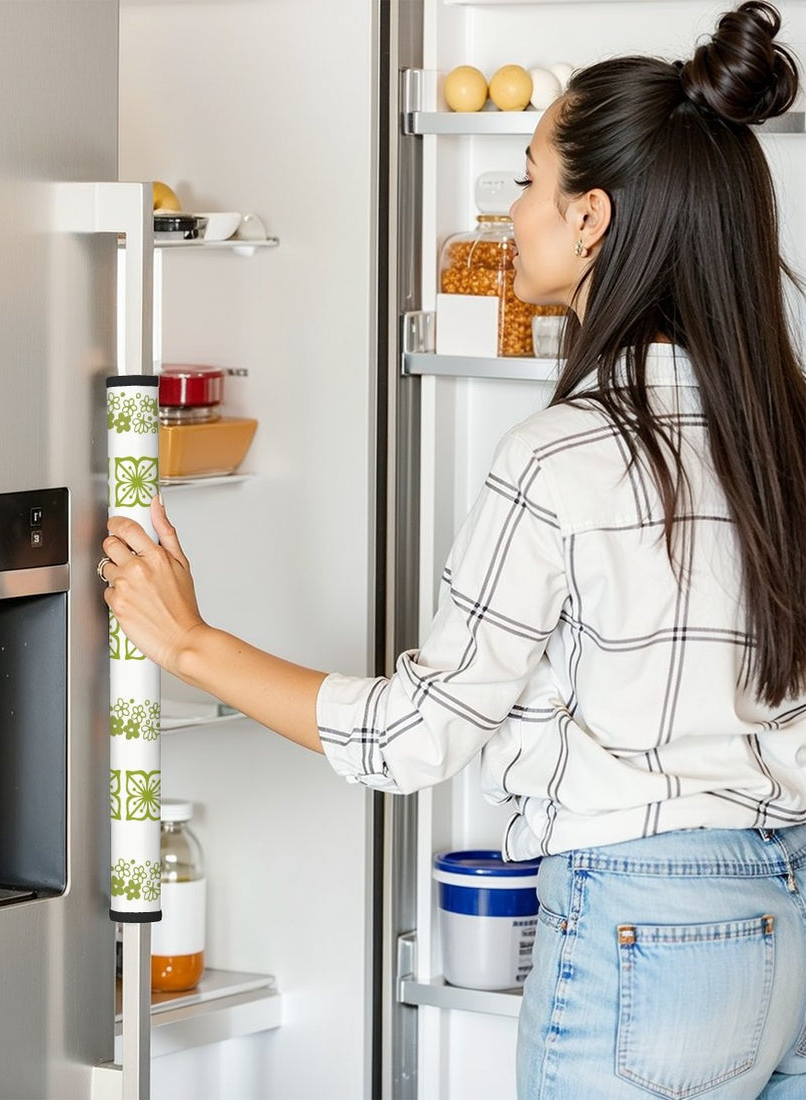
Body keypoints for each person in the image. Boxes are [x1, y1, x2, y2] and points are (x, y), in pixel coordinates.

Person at [100, 2, 806, 1095]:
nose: (513, 210)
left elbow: (416, 737)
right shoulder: (783, 441)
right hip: (782, 919)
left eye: (526, 178)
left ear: (589, 219)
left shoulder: (562, 457)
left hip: (637, 927)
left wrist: (190, 644)